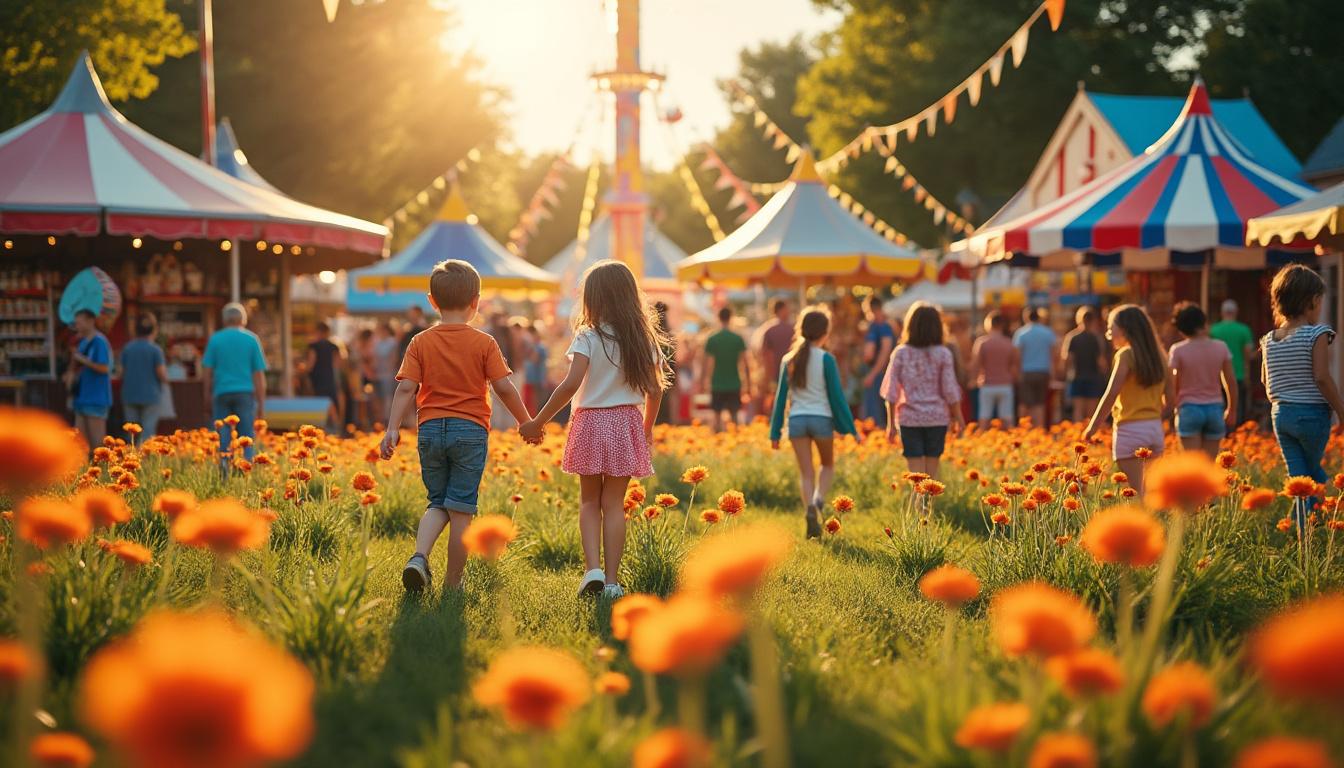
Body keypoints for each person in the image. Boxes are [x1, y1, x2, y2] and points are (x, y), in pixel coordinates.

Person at [381, 259, 532, 593]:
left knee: (437, 502)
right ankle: (453, 584)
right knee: (461, 509)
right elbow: (504, 387)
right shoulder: (484, 342)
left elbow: (406, 388)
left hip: (430, 429)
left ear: (432, 301)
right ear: (476, 302)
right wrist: (526, 422)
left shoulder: (420, 342)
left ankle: (419, 557)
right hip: (470, 431)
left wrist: (392, 428)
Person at [520, 261, 667, 600]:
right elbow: (655, 390)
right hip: (626, 422)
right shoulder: (642, 338)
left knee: (589, 501)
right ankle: (612, 583)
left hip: (590, 422)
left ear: (592, 298)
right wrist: (646, 429)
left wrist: (538, 421)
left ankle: (593, 571)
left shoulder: (588, 336)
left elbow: (570, 385)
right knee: (614, 504)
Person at [1260, 265, 1344, 529]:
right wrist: (1341, 410)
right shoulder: (1317, 333)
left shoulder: (1268, 339)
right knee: (1312, 472)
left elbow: (1265, 381)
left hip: (1281, 414)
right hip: (1311, 415)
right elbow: (1322, 377)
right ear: (1313, 301)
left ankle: (1302, 532)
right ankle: (1323, 515)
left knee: (1298, 478)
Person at [768, 307, 859, 538]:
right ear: (825, 333)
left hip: (797, 420)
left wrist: (775, 433)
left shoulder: (788, 359)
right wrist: (850, 428)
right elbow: (836, 397)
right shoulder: (826, 359)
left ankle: (809, 508)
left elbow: (780, 399)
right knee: (827, 465)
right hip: (821, 420)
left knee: (806, 473)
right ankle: (818, 501)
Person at [1083, 304, 1171, 498]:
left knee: (1138, 494)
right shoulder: (1161, 357)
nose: (1109, 333)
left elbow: (1111, 394)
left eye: (1111, 327)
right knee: (1151, 494)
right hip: (1155, 429)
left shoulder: (1126, 355)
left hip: (1130, 430)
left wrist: (1092, 427)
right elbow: (1171, 400)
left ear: (1124, 329)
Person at [881, 302, 963, 483]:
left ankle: (918, 502)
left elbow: (891, 391)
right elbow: (950, 390)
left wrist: (890, 424)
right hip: (937, 418)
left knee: (916, 477)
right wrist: (959, 418)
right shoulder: (943, 353)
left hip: (909, 418)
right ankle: (928, 502)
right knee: (931, 476)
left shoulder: (901, 353)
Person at [1168, 302, 1236, 458]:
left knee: (1192, 464)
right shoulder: (1221, 347)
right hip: (1215, 408)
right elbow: (1230, 381)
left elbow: (1173, 383)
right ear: (1204, 322)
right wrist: (1232, 409)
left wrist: (1174, 406)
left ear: (1181, 328)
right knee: (1208, 465)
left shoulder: (1178, 350)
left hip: (1189, 408)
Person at [202, 303, 266, 462]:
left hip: (221, 392)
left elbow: (207, 371)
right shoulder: (251, 339)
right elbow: (258, 374)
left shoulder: (215, 339)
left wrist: (207, 395)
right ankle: (246, 467)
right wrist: (261, 403)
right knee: (246, 436)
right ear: (243, 320)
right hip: (245, 393)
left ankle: (224, 468)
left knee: (223, 435)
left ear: (224, 320)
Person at [67, 308, 112, 451]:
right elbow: (76, 367)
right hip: (81, 397)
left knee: (97, 447)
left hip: (95, 398)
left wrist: (82, 359)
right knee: (81, 446)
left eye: (79, 323)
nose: (77, 326)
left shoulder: (99, 341)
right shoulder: (82, 342)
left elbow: (104, 368)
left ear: (91, 321)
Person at [120, 312, 168, 443]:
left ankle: (131, 454)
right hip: (151, 395)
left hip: (130, 394)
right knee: (148, 432)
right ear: (154, 330)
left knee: (131, 433)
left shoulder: (127, 348)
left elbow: (121, 373)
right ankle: (145, 455)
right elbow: (162, 375)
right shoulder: (156, 350)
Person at [702, 306, 750, 432]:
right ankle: (736, 440)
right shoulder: (738, 339)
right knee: (734, 417)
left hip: (717, 383)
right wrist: (748, 384)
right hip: (734, 382)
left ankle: (717, 440)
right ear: (731, 318)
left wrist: (703, 382)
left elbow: (706, 365)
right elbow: (745, 364)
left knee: (716, 417)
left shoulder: (712, 339)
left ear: (718, 318)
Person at [1210, 298, 1256, 426]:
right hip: (1238, 375)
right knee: (1237, 408)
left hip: (1217, 377)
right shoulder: (1244, 330)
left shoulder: (1213, 330)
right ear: (1236, 312)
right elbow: (1248, 355)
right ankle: (1236, 433)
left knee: (1219, 407)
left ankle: (1221, 432)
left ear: (1222, 312)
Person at [970, 311, 1018, 429]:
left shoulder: (982, 343)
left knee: (984, 417)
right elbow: (1015, 366)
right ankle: (1011, 439)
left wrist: (973, 379)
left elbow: (976, 364)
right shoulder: (1009, 343)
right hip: (1005, 384)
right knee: (1007, 418)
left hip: (987, 384)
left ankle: (982, 439)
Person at [1061, 307, 1108, 423]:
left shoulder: (1072, 337)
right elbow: (1101, 361)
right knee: (1091, 412)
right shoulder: (1096, 338)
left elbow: (1067, 359)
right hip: (1093, 377)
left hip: (1076, 376)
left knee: (1078, 410)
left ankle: (1078, 431)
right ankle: (1090, 432)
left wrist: (1064, 375)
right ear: (1093, 320)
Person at [1013, 307, 1059, 427]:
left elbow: (1017, 356)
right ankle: (1039, 429)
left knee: (1024, 403)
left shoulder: (1021, 333)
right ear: (1039, 318)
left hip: (1026, 372)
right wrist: (1053, 374)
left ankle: (1023, 428)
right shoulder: (1048, 333)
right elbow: (1053, 356)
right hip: (1043, 372)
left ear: (1026, 318)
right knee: (1039, 403)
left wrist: (1017, 373)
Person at [861, 296, 897, 427]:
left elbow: (883, 352)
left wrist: (872, 374)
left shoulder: (880, 327)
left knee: (875, 417)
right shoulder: (887, 326)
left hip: (878, 373)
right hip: (881, 372)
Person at [758, 300, 794, 415]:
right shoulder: (793, 329)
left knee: (777, 406)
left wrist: (767, 378)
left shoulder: (768, 330)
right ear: (781, 310)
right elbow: (766, 356)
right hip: (789, 374)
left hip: (777, 375)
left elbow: (764, 355)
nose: (789, 311)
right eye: (787, 309)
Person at [305, 321, 342, 428]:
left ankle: (326, 426)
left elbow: (310, 365)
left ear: (318, 332)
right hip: (330, 378)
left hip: (318, 379)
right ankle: (335, 425)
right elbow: (337, 364)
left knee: (322, 402)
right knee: (331, 401)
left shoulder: (313, 346)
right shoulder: (334, 346)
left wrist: (303, 371)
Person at [652, 301, 677, 424]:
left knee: (653, 394)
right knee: (668, 396)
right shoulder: (669, 334)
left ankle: (655, 421)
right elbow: (673, 355)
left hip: (653, 367)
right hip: (668, 368)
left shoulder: (651, 333)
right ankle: (669, 421)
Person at [374, 322, 401, 426]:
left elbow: (394, 359)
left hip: (389, 374)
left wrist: (389, 371)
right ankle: (381, 419)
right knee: (380, 397)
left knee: (388, 397)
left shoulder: (392, 342)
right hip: (379, 374)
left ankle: (388, 419)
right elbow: (375, 358)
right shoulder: (378, 342)